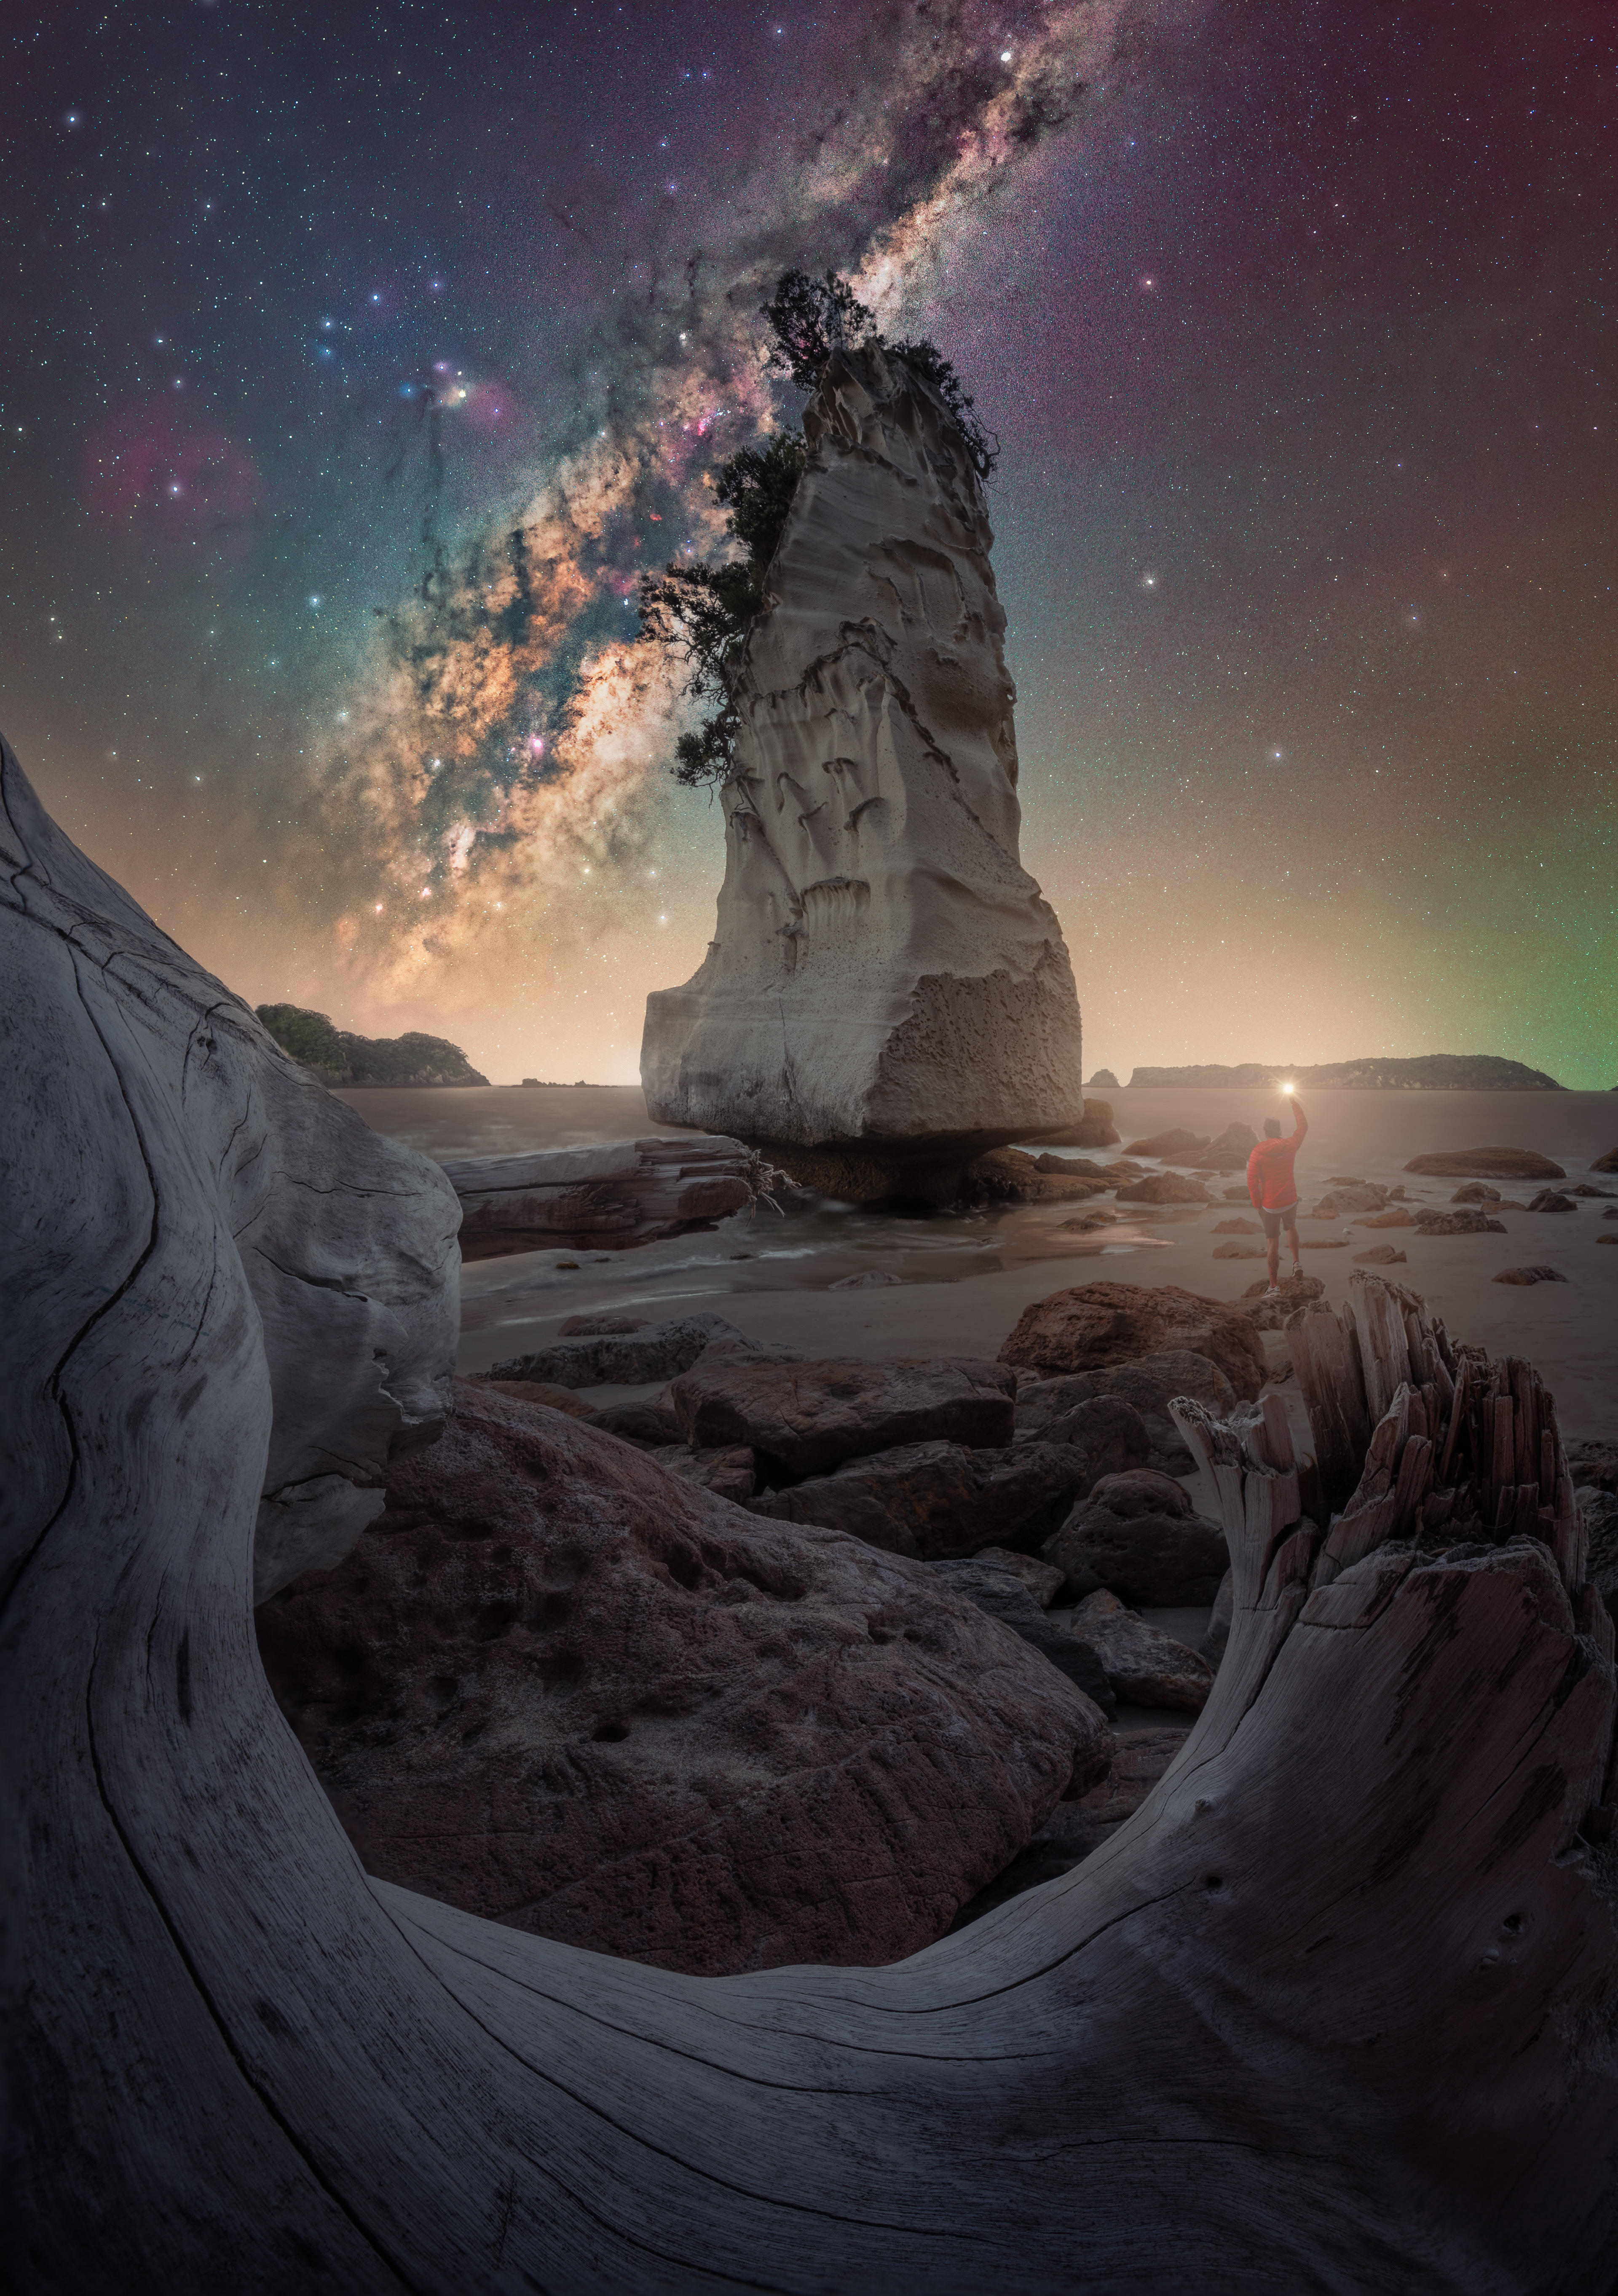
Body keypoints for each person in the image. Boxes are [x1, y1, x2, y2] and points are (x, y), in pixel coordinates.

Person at [1246, 1096, 1308, 1294]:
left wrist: (1257, 1204)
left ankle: (1273, 1287)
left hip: (1270, 1205)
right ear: (1280, 1130)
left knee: (1273, 1243)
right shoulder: (1291, 1144)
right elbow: (1303, 1126)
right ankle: (1297, 1263)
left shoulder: (1258, 1152)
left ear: (1265, 1132)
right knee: (1291, 1226)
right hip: (1290, 1200)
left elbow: (1252, 1180)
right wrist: (1295, 1104)